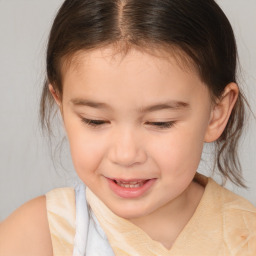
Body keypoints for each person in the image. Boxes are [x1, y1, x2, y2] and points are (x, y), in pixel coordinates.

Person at [0, 0, 255, 255]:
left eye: (160, 122)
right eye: (94, 120)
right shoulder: (38, 236)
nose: (125, 154)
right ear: (62, 106)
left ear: (216, 113)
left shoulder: (246, 236)